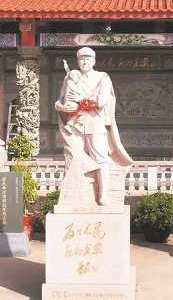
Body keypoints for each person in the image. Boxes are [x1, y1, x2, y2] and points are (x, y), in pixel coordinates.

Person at [54, 47, 133, 205]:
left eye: (88, 59)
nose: (84, 62)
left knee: (101, 159)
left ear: (94, 61)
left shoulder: (102, 78)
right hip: (74, 126)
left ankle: (102, 195)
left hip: (95, 123)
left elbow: (102, 101)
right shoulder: (70, 77)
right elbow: (59, 101)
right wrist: (62, 107)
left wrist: (82, 101)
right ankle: (76, 195)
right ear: (78, 61)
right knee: (73, 158)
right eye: (81, 59)